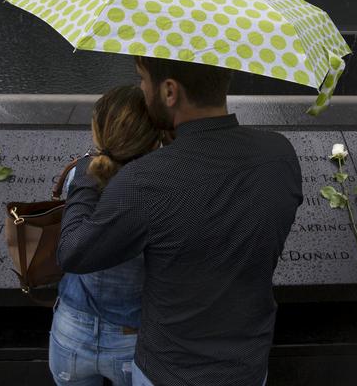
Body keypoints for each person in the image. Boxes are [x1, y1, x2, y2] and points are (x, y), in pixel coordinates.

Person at [59, 57, 303, 386]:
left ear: (170, 91)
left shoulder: (145, 180)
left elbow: (74, 252)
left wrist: (86, 177)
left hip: (167, 370)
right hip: (248, 366)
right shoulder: (280, 153)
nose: (142, 90)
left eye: (143, 80)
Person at [50, 85, 163, 386]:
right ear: (154, 139)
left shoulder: (81, 175)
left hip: (71, 330)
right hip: (132, 338)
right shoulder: (161, 189)